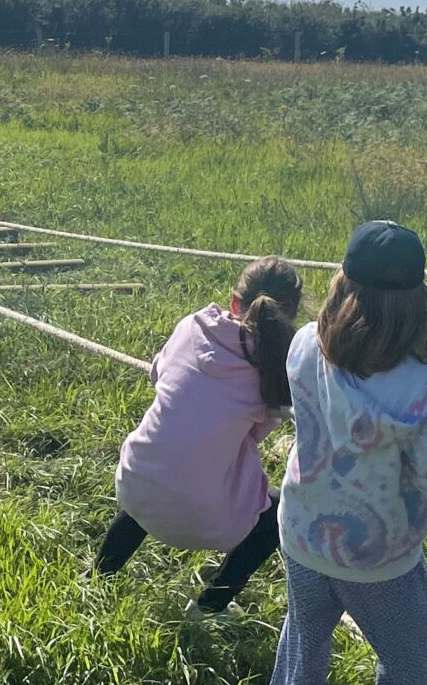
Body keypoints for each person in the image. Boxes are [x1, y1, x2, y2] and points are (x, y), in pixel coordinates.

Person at [264, 222, 427, 685]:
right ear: (418, 304)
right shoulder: (422, 387)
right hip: (380, 560)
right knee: (411, 664)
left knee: (304, 632)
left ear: (341, 289)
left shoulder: (304, 344)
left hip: (301, 531)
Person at [97, 258, 305, 613]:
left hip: (134, 485)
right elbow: (253, 435)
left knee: (160, 466)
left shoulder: (192, 326)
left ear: (234, 301)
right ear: (292, 317)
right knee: (277, 513)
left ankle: (99, 579)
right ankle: (211, 607)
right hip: (205, 521)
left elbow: (158, 374)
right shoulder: (274, 368)